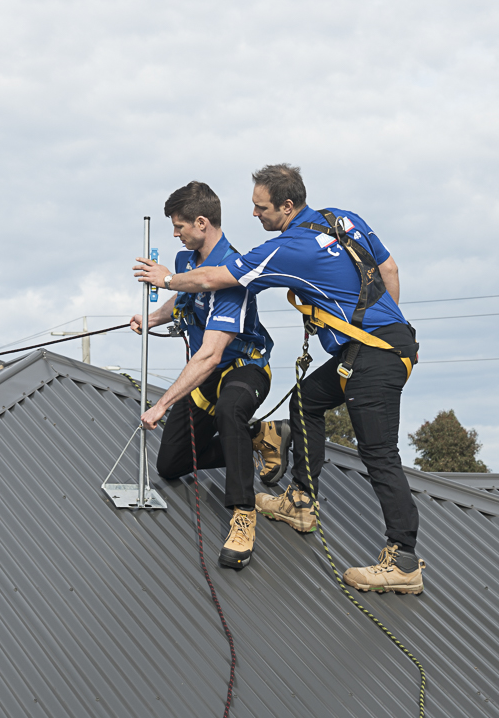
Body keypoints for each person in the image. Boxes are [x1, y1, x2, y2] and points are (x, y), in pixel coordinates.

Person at [134, 165, 426, 594]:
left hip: (374, 356)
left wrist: (168, 279)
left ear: (287, 207)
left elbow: (220, 277)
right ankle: (301, 503)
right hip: (375, 344)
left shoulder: (289, 247)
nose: (254, 215)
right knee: (307, 399)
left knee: (379, 454)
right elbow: (391, 271)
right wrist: (382, 327)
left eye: (261, 207)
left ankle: (402, 560)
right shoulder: (341, 219)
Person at [133, 181, 289, 570]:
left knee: (229, 410)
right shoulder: (187, 261)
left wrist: (161, 405)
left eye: (180, 226)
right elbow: (185, 297)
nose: (175, 234)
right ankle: (262, 437)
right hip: (209, 374)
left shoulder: (231, 273)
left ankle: (242, 515)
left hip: (243, 367)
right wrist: (152, 318)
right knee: (171, 463)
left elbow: (209, 355)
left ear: (201, 223)